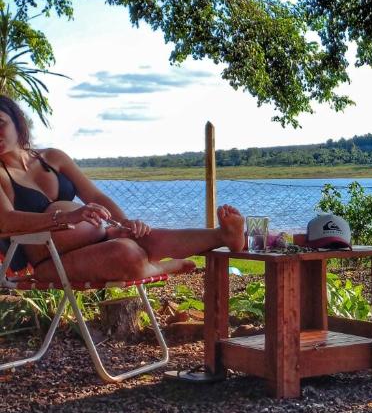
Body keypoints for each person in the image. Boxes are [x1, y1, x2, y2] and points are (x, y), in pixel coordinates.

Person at [0, 97, 245, 283]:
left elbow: (94, 196)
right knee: (125, 251)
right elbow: (6, 222)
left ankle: (222, 236)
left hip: (97, 237)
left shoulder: (53, 157)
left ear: (17, 121)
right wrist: (65, 218)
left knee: (140, 237)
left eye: (0, 124)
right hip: (46, 260)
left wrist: (125, 221)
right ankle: (163, 267)